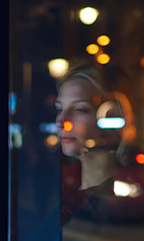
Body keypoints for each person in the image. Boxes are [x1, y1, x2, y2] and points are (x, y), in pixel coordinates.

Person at [55, 62, 122, 224]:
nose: (61, 121)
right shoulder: (69, 196)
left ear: (108, 116)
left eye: (79, 109)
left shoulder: (109, 208)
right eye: (59, 109)